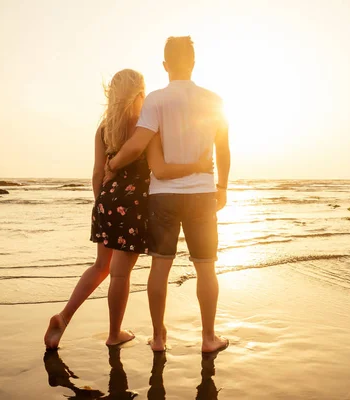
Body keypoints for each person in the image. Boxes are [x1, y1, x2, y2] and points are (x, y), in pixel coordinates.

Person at [44, 69, 213, 349]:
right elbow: (155, 165)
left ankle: (65, 315)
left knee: (100, 266)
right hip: (132, 204)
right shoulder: (144, 125)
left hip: (107, 200)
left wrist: (101, 205)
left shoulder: (104, 128)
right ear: (138, 94)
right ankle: (114, 334)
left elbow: (98, 172)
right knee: (120, 273)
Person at [104, 36, 231, 353]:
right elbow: (224, 149)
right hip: (202, 194)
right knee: (206, 268)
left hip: (163, 197)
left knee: (160, 267)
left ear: (165, 65)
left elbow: (136, 145)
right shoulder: (214, 100)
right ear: (193, 63)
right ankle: (208, 338)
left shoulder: (156, 100)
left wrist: (112, 164)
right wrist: (223, 186)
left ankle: (159, 337)